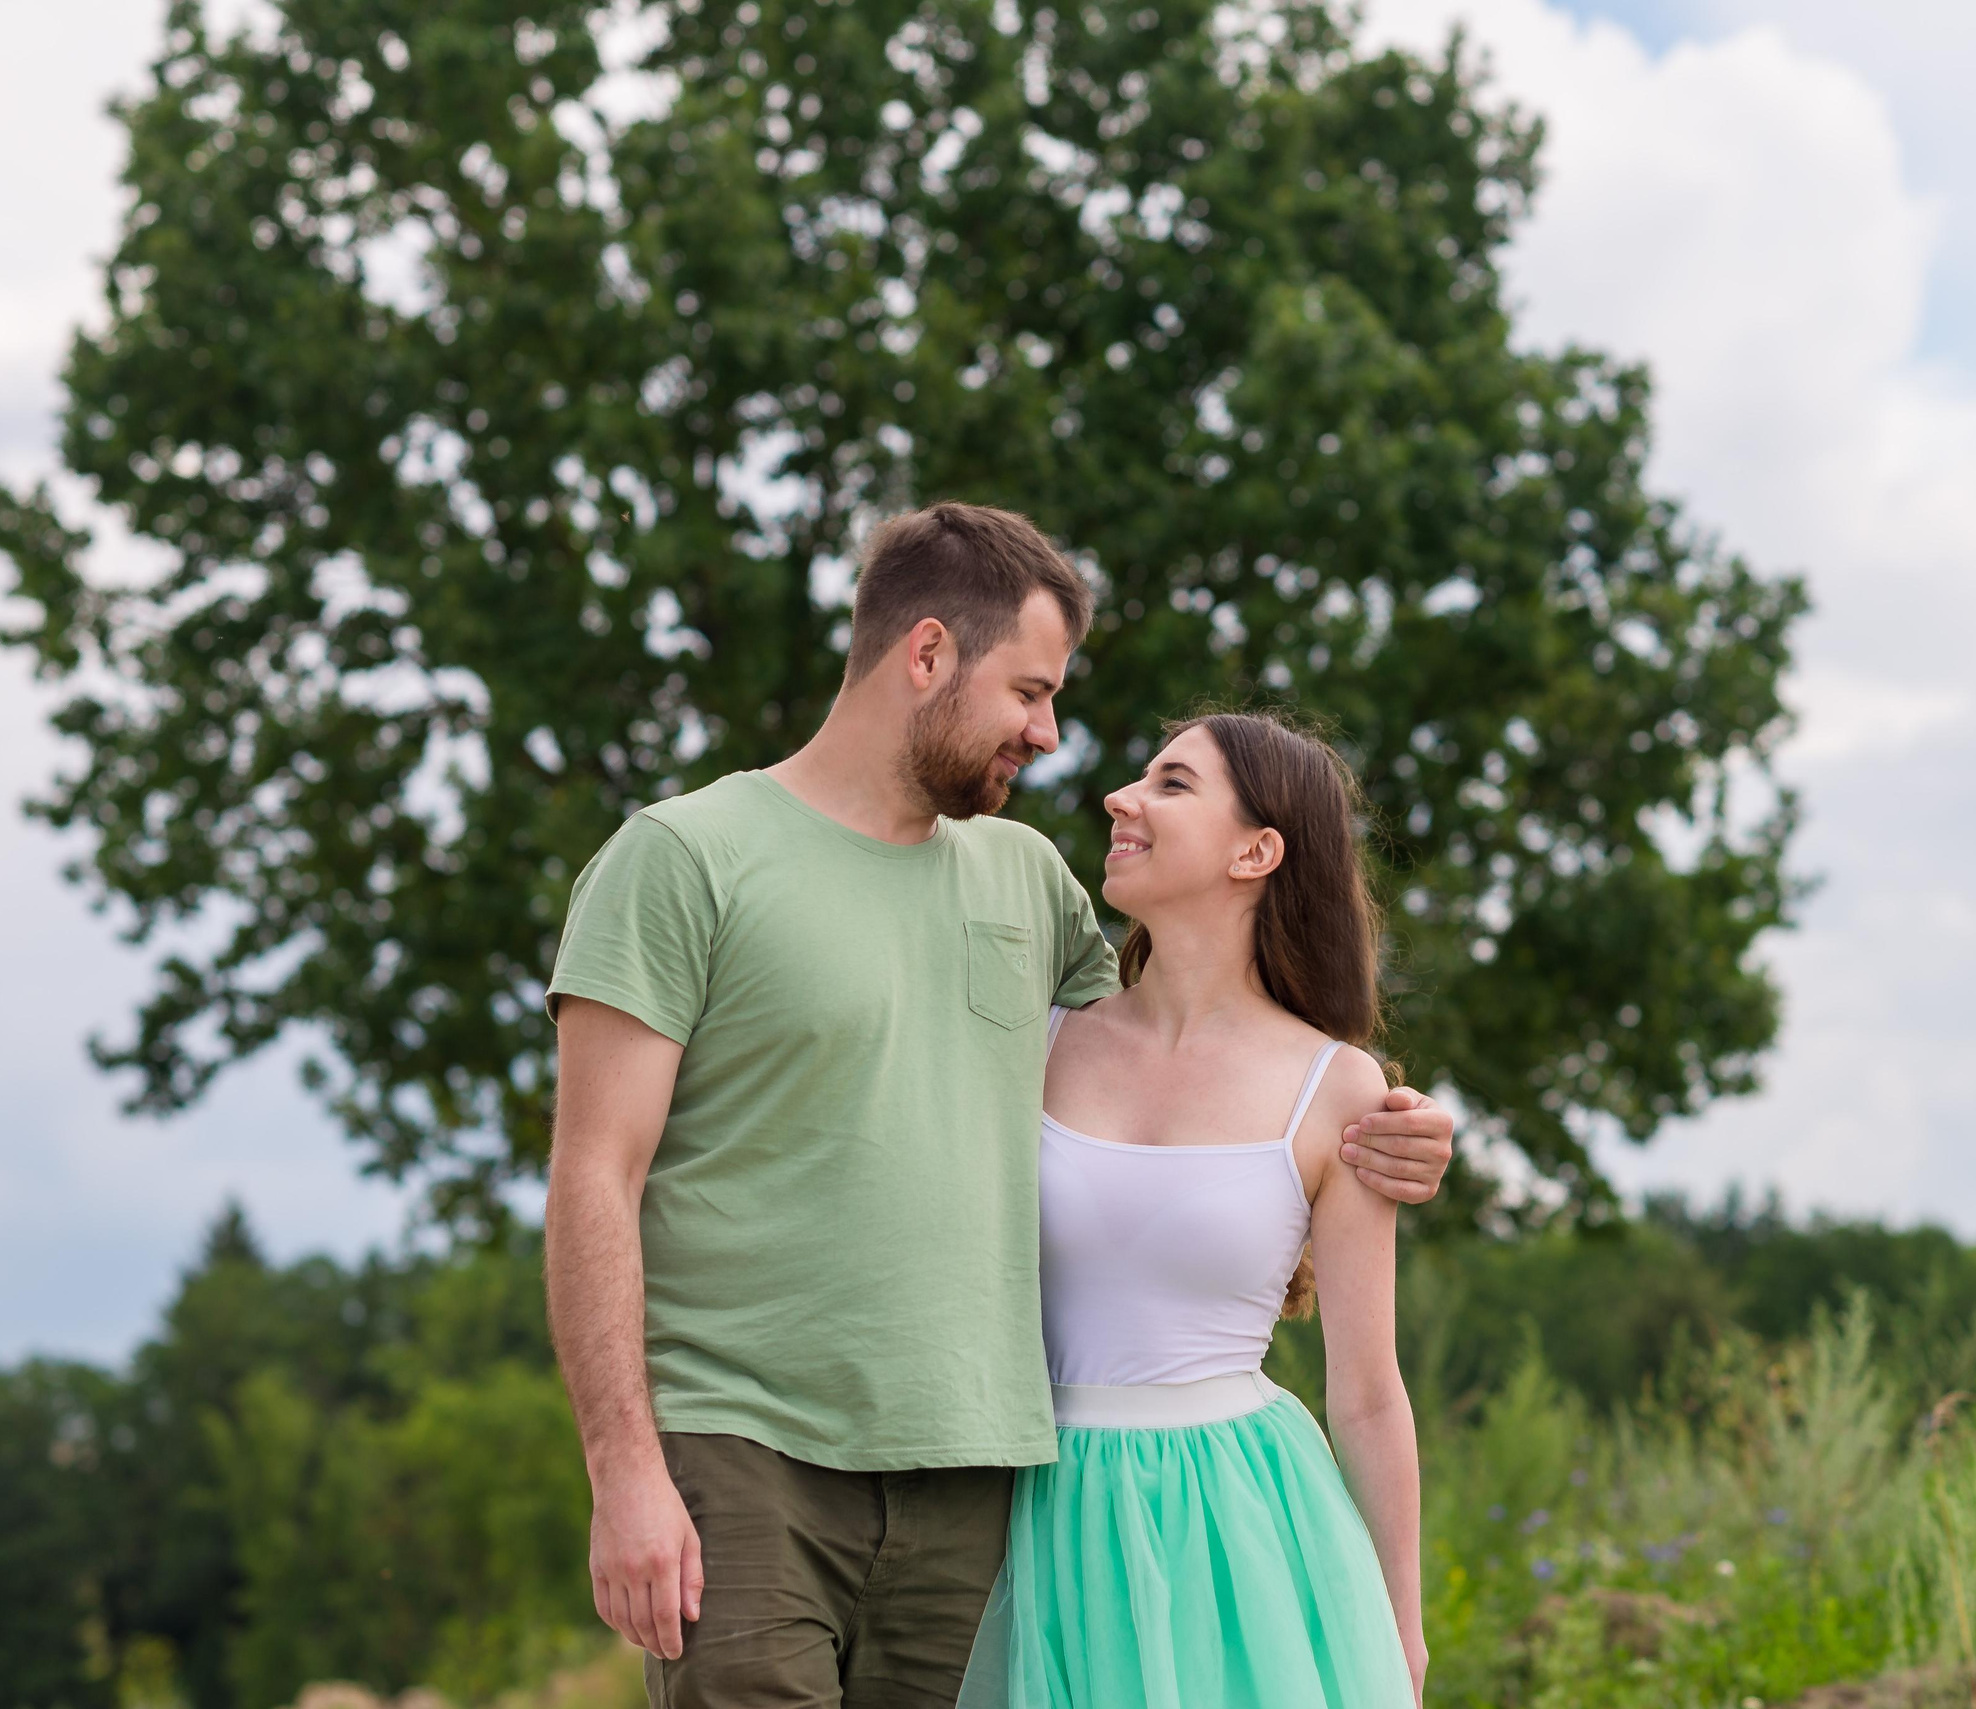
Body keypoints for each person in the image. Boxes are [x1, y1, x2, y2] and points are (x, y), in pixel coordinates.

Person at [541, 501, 1457, 1708]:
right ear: (927, 655)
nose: (1054, 734)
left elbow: (1192, 1055)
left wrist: (1400, 1125)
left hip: (980, 1486)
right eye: (1029, 690)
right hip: (749, 1454)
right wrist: (624, 1470)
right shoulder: (684, 858)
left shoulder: (1025, 880)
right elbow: (591, 1175)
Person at [957, 710, 1426, 1709]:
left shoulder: (1336, 1087)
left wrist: (1401, 1624)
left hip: (1238, 1521)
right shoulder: (1034, 1042)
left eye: (1170, 784)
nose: (1119, 799)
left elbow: (1368, 1391)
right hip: (1037, 1509)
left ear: (1255, 850)